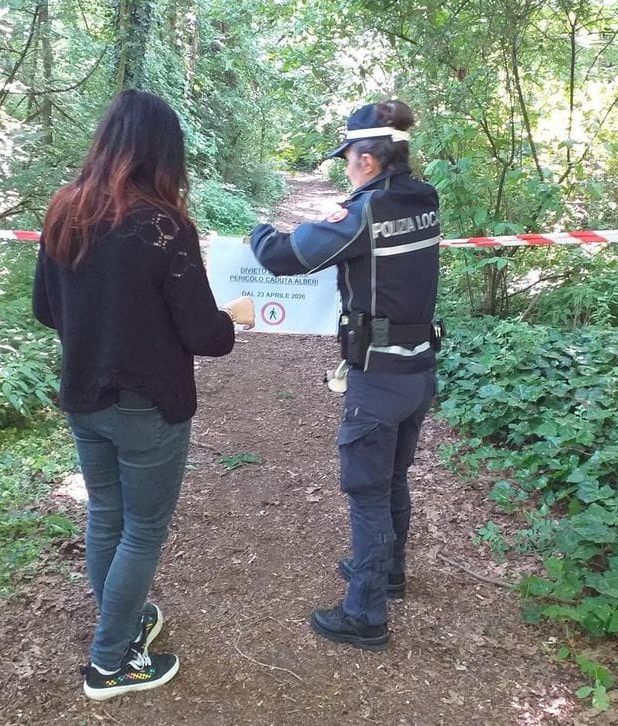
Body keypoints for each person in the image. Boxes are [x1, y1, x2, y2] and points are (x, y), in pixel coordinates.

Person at [33, 89, 254, 699]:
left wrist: (100, 324)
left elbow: (46, 309)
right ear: (164, 152)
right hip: (147, 408)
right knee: (143, 530)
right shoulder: (164, 225)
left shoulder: (64, 211)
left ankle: (122, 622)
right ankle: (110, 662)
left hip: (84, 397)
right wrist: (234, 317)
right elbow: (205, 335)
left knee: (106, 515)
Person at [249, 99, 440, 651]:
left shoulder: (366, 211)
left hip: (378, 378)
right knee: (393, 478)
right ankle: (390, 573)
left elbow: (283, 256)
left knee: (367, 492)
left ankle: (365, 614)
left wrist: (258, 230)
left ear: (368, 160)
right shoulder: (423, 197)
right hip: (419, 369)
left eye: (348, 160)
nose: (346, 169)